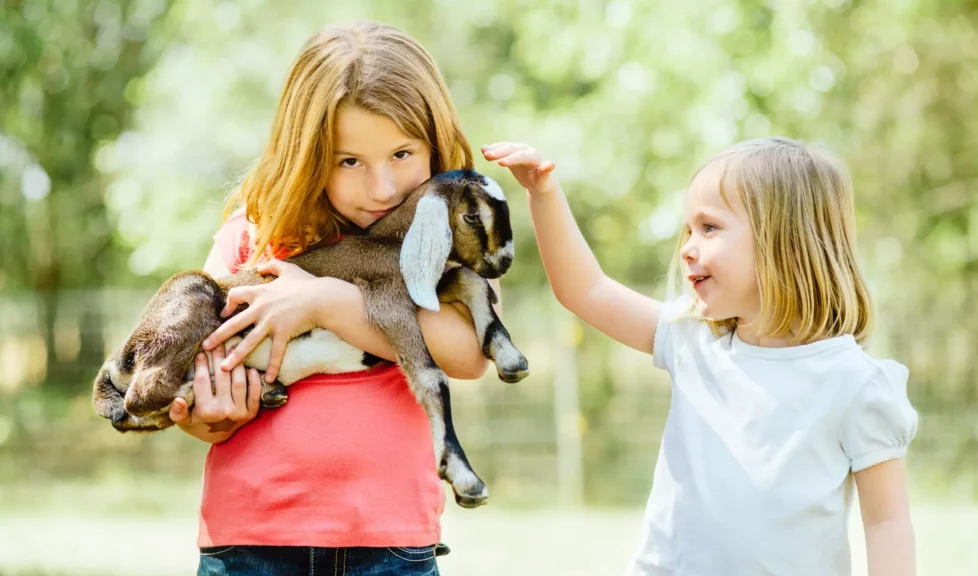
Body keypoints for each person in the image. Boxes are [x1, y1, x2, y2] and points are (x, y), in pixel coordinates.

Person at [483, 137, 919, 575]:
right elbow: (586, 291)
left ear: (782, 240)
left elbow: (887, 522)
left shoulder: (853, 383)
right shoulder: (691, 340)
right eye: (688, 230)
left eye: (709, 228)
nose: (687, 247)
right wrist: (544, 194)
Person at [168, 21, 497, 576]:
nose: (382, 188)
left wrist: (324, 302)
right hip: (252, 544)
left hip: (389, 545)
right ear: (307, 153)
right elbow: (199, 398)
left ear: (435, 143)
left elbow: (467, 354)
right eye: (349, 161)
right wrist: (210, 414)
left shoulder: (441, 240)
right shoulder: (252, 238)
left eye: (401, 153)